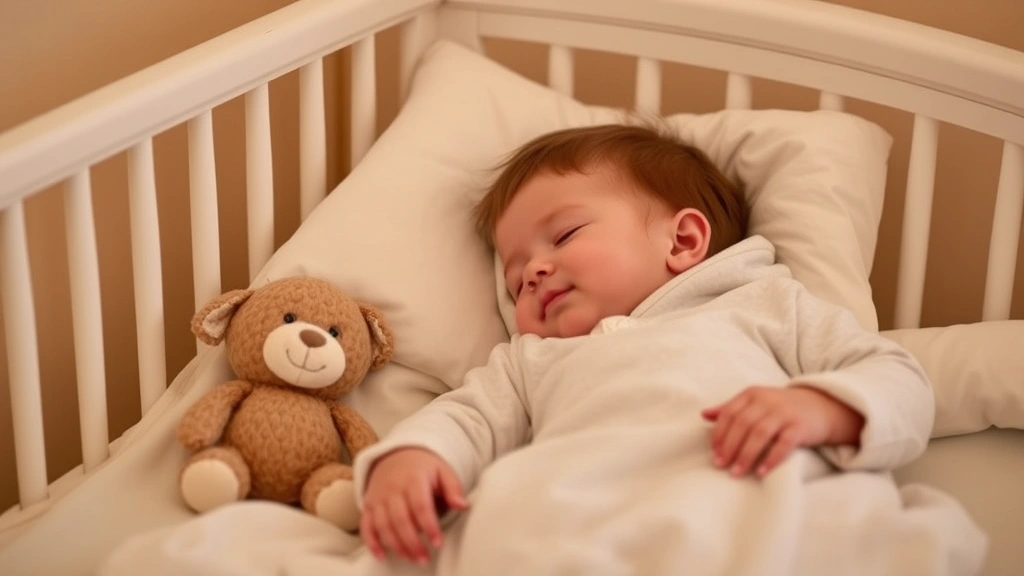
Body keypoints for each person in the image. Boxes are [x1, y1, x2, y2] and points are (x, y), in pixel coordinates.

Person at [351, 123, 982, 575]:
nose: (534, 273)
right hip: (581, 523)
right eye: (515, 276)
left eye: (563, 234)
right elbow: (467, 416)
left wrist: (824, 407)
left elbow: (895, 377)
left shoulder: (764, 303)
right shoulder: (530, 360)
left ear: (683, 240)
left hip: (757, 501)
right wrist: (411, 459)